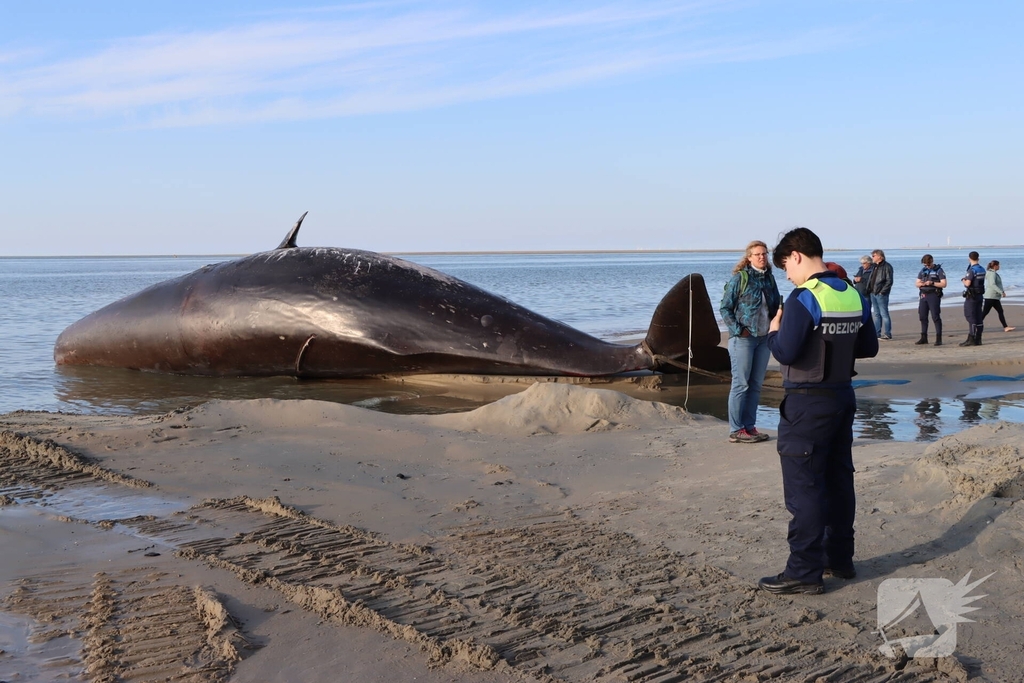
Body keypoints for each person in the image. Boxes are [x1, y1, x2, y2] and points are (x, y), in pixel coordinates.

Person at [758, 227, 878, 595]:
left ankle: (803, 571)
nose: (788, 275)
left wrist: (773, 331)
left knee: (805, 487)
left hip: (807, 402)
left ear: (796, 255)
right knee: (839, 481)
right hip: (842, 396)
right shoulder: (852, 293)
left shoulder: (804, 297)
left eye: (785, 267)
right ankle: (839, 559)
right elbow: (869, 347)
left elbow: (787, 352)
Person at [720, 240, 782, 443]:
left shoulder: (769, 279)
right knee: (741, 384)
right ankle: (736, 429)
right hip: (743, 340)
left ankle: (749, 426)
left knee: (755, 385)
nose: (762, 257)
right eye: (757, 254)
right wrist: (739, 330)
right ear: (749, 258)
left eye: (764, 253)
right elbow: (725, 308)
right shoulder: (740, 279)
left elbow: (773, 307)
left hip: (764, 338)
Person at [915, 254, 946, 346]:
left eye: (928, 264)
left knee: (935, 316)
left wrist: (932, 283)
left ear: (932, 261)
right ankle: (924, 337)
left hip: (934, 294)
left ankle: (938, 338)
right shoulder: (922, 270)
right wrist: (921, 284)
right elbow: (916, 283)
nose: (927, 266)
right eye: (925, 265)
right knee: (922, 316)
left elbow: (944, 284)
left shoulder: (939, 270)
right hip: (923, 294)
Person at [960, 251, 986, 346]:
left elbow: (968, 283)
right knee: (978, 316)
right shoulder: (982, 269)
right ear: (978, 258)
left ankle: (971, 338)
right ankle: (978, 338)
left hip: (972, 296)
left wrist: (963, 280)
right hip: (980, 295)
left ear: (969, 258)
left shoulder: (972, 270)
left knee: (970, 316)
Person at [866, 249, 893, 339]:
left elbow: (889, 281)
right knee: (876, 314)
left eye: (874, 256)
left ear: (879, 256)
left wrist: (882, 292)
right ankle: (877, 333)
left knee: (884, 313)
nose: (872, 258)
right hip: (873, 292)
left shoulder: (887, 266)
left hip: (881, 294)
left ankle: (888, 333)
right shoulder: (874, 266)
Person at [983, 260, 1015, 332]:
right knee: (985, 312)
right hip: (991, 296)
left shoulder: (993, 273)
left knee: (1000, 311)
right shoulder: (992, 274)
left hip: (994, 297)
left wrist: (1001, 292)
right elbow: (992, 285)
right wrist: (1001, 292)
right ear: (995, 266)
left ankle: (1005, 327)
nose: (999, 266)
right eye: (998, 265)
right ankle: (976, 325)